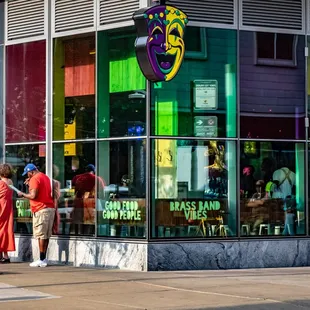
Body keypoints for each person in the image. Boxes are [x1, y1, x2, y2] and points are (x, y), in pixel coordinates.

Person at [18, 164, 55, 267]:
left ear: (31, 171)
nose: (28, 176)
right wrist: (29, 185)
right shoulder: (45, 177)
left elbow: (33, 195)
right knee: (46, 235)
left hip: (40, 209)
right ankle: (44, 259)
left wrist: (22, 194)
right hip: (49, 208)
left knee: (40, 235)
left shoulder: (34, 179)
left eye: (28, 174)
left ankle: (41, 259)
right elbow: (41, 191)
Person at [71, 164, 105, 234]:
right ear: (93, 171)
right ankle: (90, 236)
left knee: (79, 223)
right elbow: (102, 194)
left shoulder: (76, 177)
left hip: (78, 204)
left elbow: (72, 190)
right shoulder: (97, 178)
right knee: (90, 224)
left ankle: (79, 237)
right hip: (91, 204)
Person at [0, 164, 15, 263]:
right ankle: (5, 255)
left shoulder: (1, 183)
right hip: (8, 208)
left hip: (1, 207)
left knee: (1, 230)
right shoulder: (10, 182)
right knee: (6, 230)